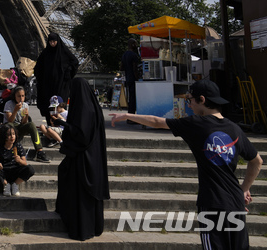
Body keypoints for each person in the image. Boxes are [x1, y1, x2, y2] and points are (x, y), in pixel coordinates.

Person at [111, 79, 262, 249]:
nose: (189, 104)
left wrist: (127, 115)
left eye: (190, 99)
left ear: (202, 99)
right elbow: (257, 161)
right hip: (235, 202)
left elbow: (157, 122)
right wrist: (244, 189)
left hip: (212, 201)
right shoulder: (235, 129)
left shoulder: (196, 124)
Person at [56, 77, 109, 241]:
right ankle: (93, 226)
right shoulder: (92, 107)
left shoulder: (83, 109)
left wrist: (64, 125)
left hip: (83, 160)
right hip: (93, 159)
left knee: (76, 189)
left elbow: (82, 135)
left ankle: (80, 228)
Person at [34, 32, 78, 124]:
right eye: (50, 41)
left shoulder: (64, 52)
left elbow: (74, 62)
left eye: (54, 41)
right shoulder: (45, 53)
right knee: (48, 105)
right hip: (48, 86)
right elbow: (38, 67)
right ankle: (50, 123)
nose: (52, 43)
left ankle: (61, 125)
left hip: (61, 85)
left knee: (60, 105)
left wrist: (67, 74)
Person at [3, 86, 49, 163]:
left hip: (19, 127)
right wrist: (15, 110)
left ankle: (39, 151)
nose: (21, 98)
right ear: (14, 96)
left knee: (31, 124)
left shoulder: (25, 105)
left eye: (23, 96)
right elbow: (10, 120)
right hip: (10, 127)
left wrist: (26, 115)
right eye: (19, 96)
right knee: (10, 125)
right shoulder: (9, 104)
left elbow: (24, 123)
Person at [0, 123, 35, 197]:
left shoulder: (18, 146)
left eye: (13, 134)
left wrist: (19, 160)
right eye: (9, 135)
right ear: (4, 136)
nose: (12, 137)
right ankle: (6, 185)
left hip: (15, 171)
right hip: (4, 171)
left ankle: (15, 185)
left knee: (30, 169)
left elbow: (25, 163)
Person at [120, 38, 140, 117]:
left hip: (128, 78)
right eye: (135, 43)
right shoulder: (134, 55)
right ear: (132, 44)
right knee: (134, 99)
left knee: (131, 98)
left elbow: (121, 68)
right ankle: (131, 117)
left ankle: (130, 116)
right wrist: (137, 78)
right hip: (133, 79)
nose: (136, 45)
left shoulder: (124, 54)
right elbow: (135, 68)